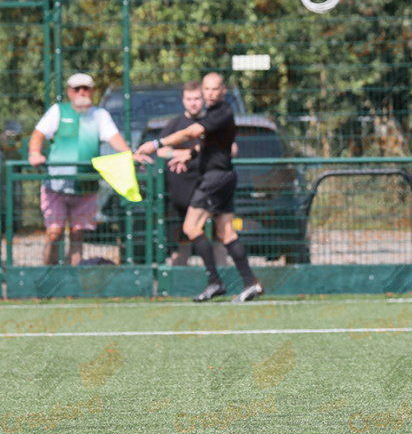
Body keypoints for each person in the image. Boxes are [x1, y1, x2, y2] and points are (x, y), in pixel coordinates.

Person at [135, 72, 262, 303]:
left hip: (215, 179)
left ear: (224, 90)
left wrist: (156, 143)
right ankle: (250, 283)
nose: (210, 93)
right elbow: (209, 145)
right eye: (207, 89)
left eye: (215, 89)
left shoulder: (222, 111)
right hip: (222, 177)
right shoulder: (214, 113)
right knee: (226, 233)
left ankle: (215, 281)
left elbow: (192, 132)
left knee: (191, 227)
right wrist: (189, 154)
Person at [28, 73, 150, 266]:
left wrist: (131, 154)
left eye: (86, 88)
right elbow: (38, 134)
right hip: (56, 186)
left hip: (85, 187)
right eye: (77, 88)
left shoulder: (99, 115)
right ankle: (48, 275)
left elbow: (114, 138)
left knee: (77, 234)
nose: (82, 92)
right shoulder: (58, 111)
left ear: (92, 91)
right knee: (54, 232)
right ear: (69, 92)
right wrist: (34, 153)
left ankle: (72, 280)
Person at [156, 82, 229, 267]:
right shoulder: (175, 123)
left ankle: (221, 280)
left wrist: (198, 154)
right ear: (182, 100)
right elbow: (160, 150)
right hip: (180, 195)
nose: (193, 103)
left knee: (218, 241)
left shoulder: (213, 121)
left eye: (197, 98)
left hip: (208, 191)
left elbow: (231, 148)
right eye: (189, 99)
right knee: (182, 243)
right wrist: (178, 154)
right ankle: (177, 288)